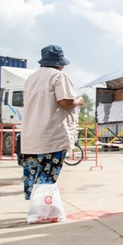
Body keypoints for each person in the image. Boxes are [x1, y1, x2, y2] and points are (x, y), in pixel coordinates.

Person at [21, 45, 83, 200]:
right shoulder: (58, 76)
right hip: (51, 136)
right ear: (60, 63)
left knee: (33, 176)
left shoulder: (31, 78)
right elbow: (65, 102)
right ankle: (42, 210)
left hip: (31, 137)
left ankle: (35, 209)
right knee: (47, 177)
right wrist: (79, 100)